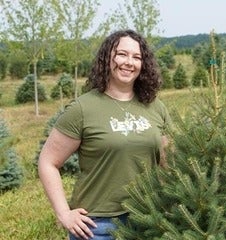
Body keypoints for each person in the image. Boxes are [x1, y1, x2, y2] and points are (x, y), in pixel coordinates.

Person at [38, 29, 172, 240]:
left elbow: (168, 163)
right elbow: (47, 162)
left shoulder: (155, 107)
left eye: (137, 57)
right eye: (122, 54)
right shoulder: (83, 108)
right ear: (107, 57)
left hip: (148, 218)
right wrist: (63, 213)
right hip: (97, 226)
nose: (129, 62)